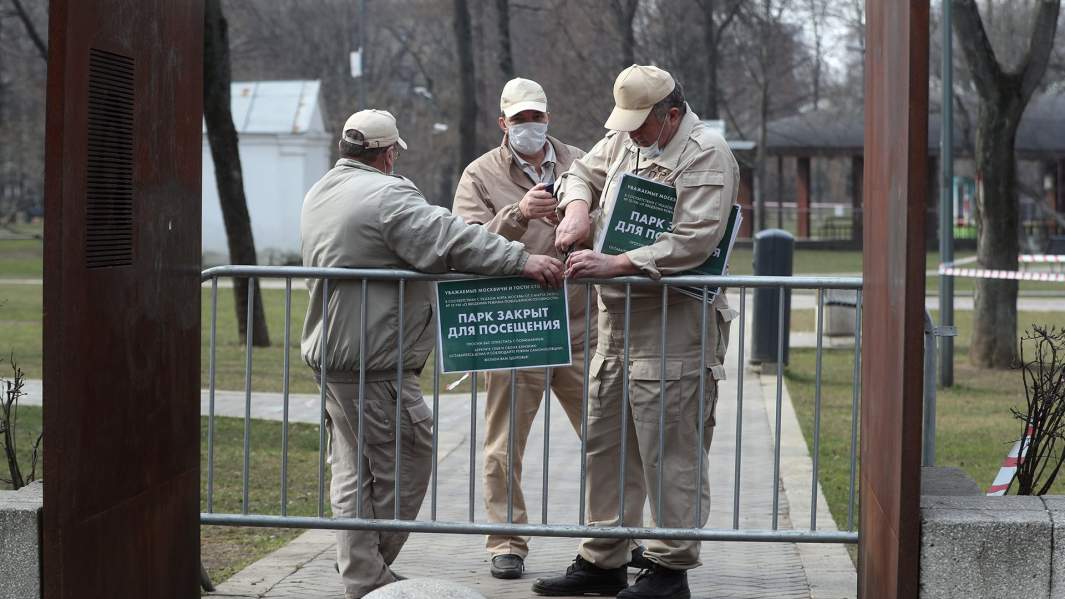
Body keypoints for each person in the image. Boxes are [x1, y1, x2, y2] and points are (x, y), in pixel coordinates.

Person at [300, 108, 563, 599]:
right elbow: (450, 238)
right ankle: (369, 574)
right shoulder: (387, 194)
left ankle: (364, 576)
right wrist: (522, 260)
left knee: (355, 470)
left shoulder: (323, 191)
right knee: (408, 459)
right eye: (395, 152)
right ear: (388, 152)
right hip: (373, 361)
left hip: (335, 354)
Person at [531, 66, 739, 599]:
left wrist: (616, 263)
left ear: (671, 114)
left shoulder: (705, 154)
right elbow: (582, 171)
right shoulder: (627, 141)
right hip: (616, 329)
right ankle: (605, 557)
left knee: (670, 449)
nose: (632, 135)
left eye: (642, 124)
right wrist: (576, 209)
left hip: (676, 330)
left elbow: (694, 240)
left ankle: (669, 570)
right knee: (607, 443)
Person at [453, 78, 648, 580]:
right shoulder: (480, 174)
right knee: (504, 443)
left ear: (548, 117)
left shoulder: (582, 161)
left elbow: (617, 218)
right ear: (503, 124)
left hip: (583, 326)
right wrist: (517, 217)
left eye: (535, 116)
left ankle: (616, 539)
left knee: (609, 438)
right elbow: (465, 245)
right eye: (518, 119)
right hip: (519, 326)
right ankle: (506, 541)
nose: (529, 126)